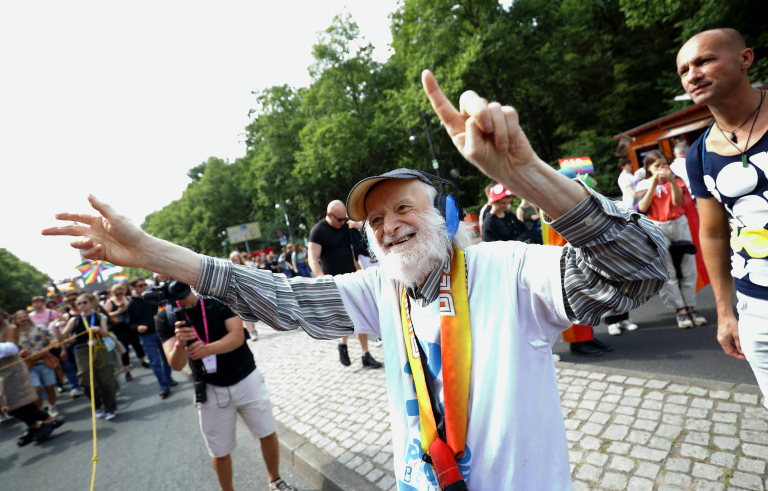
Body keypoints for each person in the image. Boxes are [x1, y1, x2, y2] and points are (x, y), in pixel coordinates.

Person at [43, 70, 667, 490]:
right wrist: (151, 251)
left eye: (404, 208)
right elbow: (279, 299)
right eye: (374, 217)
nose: (388, 225)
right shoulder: (380, 291)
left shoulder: (508, 268)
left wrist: (527, 173)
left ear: (446, 215)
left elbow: (640, 272)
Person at [679, 28, 768, 413]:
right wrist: (725, 312)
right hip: (760, 308)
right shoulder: (699, 154)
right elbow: (715, 233)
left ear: (745, 58)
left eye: (704, 60)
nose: (693, 74)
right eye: (685, 69)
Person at [157, 284, 296, 491]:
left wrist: (206, 349)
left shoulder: (215, 296)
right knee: (219, 451)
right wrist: (179, 344)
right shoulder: (165, 317)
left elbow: (237, 336)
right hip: (210, 388)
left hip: (245, 376)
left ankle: (275, 481)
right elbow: (175, 364)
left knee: (266, 432)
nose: (176, 283)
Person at [308, 200, 382, 369]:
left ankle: (365, 354)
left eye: (344, 219)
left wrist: (357, 225)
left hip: (352, 276)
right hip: (334, 281)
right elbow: (312, 259)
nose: (343, 223)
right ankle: (343, 344)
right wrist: (322, 279)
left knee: (359, 313)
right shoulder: (318, 232)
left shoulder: (345, 225)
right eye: (339, 220)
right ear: (329, 215)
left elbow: (362, 236)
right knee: (347, 318)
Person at [635, 150, 705, 329]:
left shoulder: (677, 180)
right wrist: (653, 183)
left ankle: (691, 306)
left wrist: (672, 180)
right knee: (668, 270)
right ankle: (680, 310)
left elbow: (677, 202)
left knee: (688, 266)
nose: (661, 169)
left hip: (679, 223)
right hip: (657, 226)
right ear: (648, 168)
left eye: (664, 165)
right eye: (657, 166)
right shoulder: (642, 184)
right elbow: (642, 207)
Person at [0, 308, 64, 446]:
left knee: (20, 403)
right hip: (2, 374)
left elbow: (11, 348)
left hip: (14, 371)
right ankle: (33, 426)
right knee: (9, 406)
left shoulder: (9, 328)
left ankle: (48, 419)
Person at [61, 292, 118, 420]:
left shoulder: (99, 316)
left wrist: (99, 330)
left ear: (91, 303)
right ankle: (97, 405)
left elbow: (105, 334)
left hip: (99, 348)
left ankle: (110, 408)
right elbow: (62, 337)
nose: (81, 305)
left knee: (106, 381)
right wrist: (57, 328)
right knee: (85, 381)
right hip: (82, 351)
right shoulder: (74, 319)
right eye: (79, 303)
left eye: (84, 302)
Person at [126, 277, 177, 398]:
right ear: (133, 288)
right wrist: (138, 327)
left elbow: (164, 309)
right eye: (140, 285)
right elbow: (130, 323)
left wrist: (160, 316)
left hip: (160, 332)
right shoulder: (131, 304)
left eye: (144, 284)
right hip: (147, 336)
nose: (144, 287)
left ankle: (168, 379)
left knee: (167, 358)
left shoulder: (152, 298)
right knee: (155, 362)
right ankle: (164, 385)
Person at [13, 310, 60, 416]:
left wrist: (46, 349)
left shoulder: (40, 329)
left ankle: (52, 406)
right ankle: (41, 410)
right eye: (20, 318)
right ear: (16, 320)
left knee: (50, 387)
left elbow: (54, 339)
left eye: (24, 316)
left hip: (45, 362)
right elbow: (11, 350)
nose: (23, 319)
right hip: (28, 366)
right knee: (36, 388)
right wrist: (20, 353)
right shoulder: (14, 336)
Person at [105, 282, 149, 380]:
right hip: (119, 328)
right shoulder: (110, 302)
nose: (119, 296)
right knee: (124, 349)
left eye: (121, 293)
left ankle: (143, 361)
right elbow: (105, 316)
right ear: (113, 294)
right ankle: (127, 371)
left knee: (137, 344)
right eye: (117, 294)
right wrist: (118, 312)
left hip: (130, 326)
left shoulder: (128, 299)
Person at [229, 252, 259, 341]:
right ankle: (252, 332)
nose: (235, 261)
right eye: (233, 260)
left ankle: (253, 327)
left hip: (249, 293)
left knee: (253, 314)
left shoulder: (246, 267)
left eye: (237, 259)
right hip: (238, 295)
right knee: (244, 314)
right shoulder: (230, 269)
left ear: (240, 259)